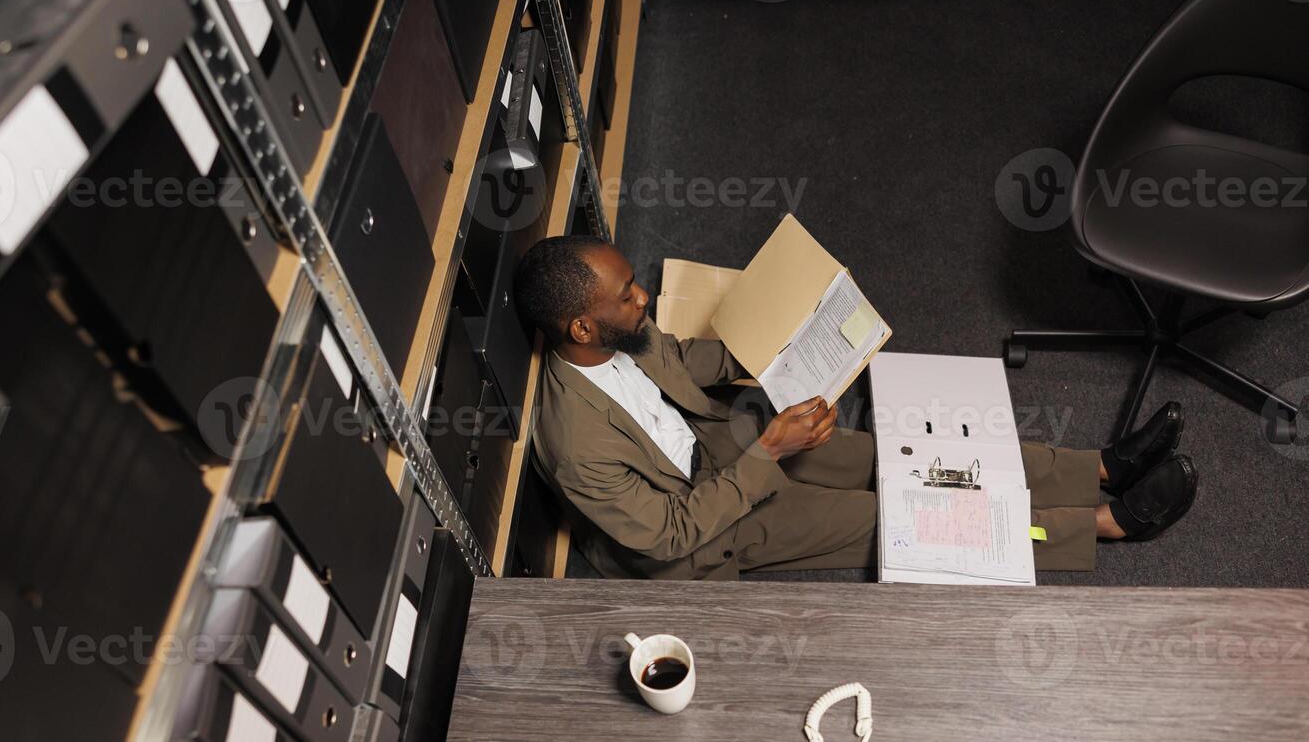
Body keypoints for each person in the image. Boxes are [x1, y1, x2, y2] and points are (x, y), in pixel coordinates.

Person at [512, 235, 1198, 580]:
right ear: (580, 327)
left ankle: (1097, 470)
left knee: (907, 456)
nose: (643, 300)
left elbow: (685, 363)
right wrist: (770, 451)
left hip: (718, 446)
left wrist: (774, 343)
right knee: (911, 515)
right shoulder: (574, 443)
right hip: (699, 532)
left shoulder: (619, 334)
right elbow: (669, 532)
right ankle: (1102, 525)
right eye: (628, 294)